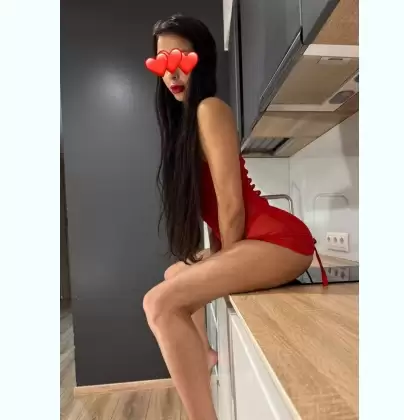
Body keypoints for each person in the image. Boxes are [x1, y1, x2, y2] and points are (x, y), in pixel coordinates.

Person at [143, 14, 327, 420]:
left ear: (202, 59)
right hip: (256, 240)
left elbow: (231, 205)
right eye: (162, 61)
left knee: (157, 303)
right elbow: (216, 215)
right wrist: (216, 260)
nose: (172, 72)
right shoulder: (185, 124)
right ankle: (204, 353)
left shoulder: (210, 108)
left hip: (278, 240)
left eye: (182, 58)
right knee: (174, 274)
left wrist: (223, 260)